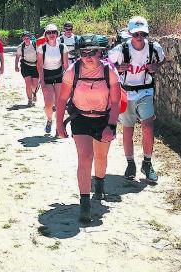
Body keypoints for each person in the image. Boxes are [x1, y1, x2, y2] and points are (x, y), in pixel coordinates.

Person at [56, 34, 121, 222]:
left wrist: (111, 126)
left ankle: (99, 184)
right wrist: (60, 124)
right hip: (81, 118)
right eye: (84, 53)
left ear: (100, 52)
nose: (88, 56)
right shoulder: (72, 71)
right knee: (85, 157)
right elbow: (61, 99)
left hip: (103, 119)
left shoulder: (110, 71)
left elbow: (115, 102)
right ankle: (85, 203)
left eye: (92, 52)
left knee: (101, 157)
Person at [107, 16, 166, 183]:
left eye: (142, 34)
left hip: (145, 91)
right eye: (135, 34)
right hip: (126, 93)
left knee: (147, 126)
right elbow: (106, 65)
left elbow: (163, 59)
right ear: (129, 34)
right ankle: (130, 163)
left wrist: (156, 67)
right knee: (128, 129)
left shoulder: (154, 48)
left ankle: (147, 163)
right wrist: (118, 68)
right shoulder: (120, 50)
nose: (139, 37)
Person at [37, 24, 69, 134]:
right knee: (48, 104)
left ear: (57, 34)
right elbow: (40, 66)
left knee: (60, 103)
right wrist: (42, 82)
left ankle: (58, 126)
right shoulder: (42, 48)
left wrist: (69, 81)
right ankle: (49, 120)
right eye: (49, 32)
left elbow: (66, 66)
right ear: (45, 35)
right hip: (47, 76)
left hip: (59, 76)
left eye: (54, 32)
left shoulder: (62, 47)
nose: (51, 35)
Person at [15, 31, 39, 107]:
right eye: (25, 38)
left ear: (30, 38)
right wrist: (16, 66)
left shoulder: (36, 45)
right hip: (25, 66)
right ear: (23, 39)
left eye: (27, 38)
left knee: (35, 84)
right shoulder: (20, 47)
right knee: (28, 84)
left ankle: (34, 93)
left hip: (35, 66)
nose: (26, 40)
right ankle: (30, 100)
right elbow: (17, 56)